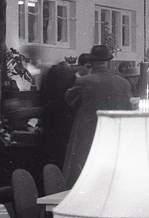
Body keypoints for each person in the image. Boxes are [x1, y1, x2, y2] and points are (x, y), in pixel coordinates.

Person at [62, 44, 133, 185]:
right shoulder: (123, 83)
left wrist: (80, 75)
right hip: (115, 138)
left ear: (91, 62)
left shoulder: (84, 81)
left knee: (84, 178)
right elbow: (129, 110)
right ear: (108, 62)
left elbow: (69, 99)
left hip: (89, 137)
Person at [38, 58, 79, 167]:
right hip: (66, 125)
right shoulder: (72, 80)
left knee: (50, 157)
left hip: (50, 124)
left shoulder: (49, 78)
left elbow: (42, 99)